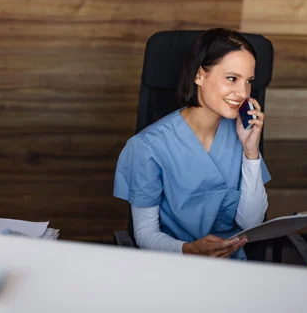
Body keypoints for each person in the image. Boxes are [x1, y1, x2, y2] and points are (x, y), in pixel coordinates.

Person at [113, 28, 271, 260]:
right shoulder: (148, 147)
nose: (243, 93)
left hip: (233, 267)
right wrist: (190, 250)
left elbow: (252, 223)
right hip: (172, 267)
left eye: (248, 82)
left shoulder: (241, 135)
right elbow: (145, 234)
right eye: (231, 78)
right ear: (199, 75)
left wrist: (251, 151)